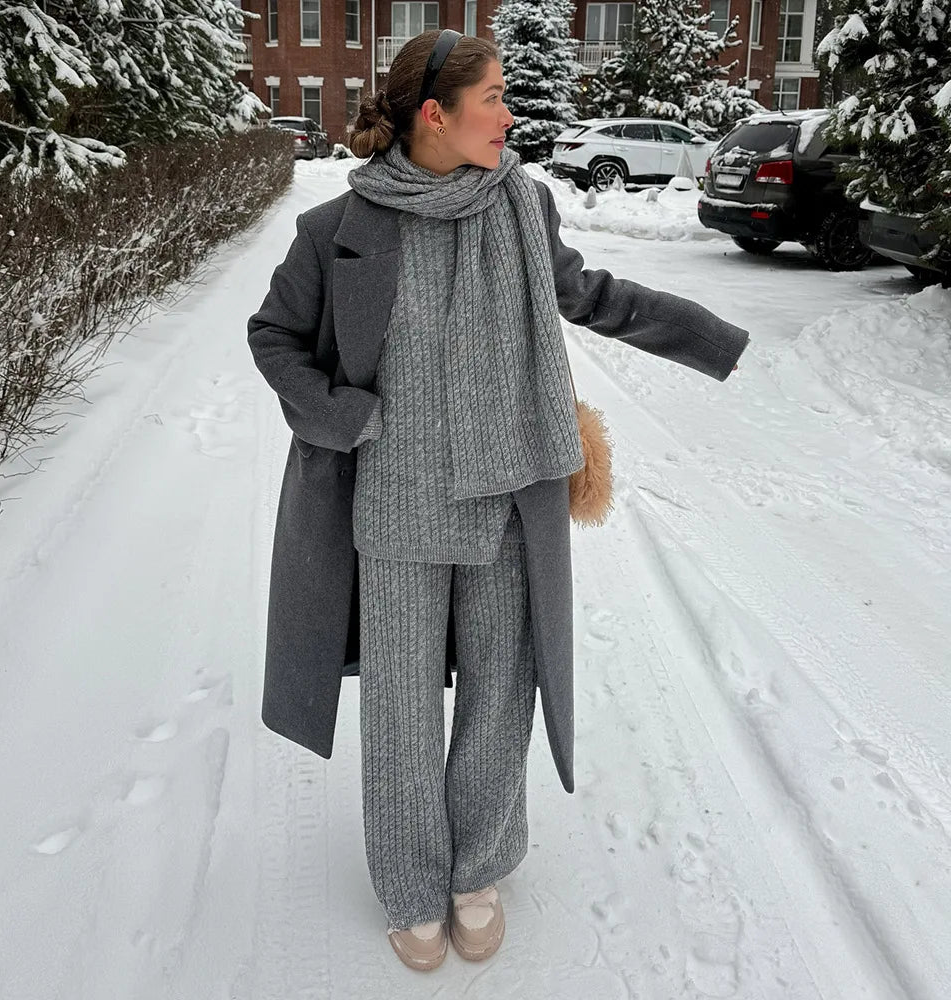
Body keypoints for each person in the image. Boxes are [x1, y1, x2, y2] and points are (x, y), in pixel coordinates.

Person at [247, 28, 749, 974]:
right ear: (433, 115)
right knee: (399, 712)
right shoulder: (339, 230)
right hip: (394, 511)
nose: (511, 116)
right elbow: (273, 335)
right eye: (495, 100)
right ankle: (408, 883)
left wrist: (706, 337)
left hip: (508, 499)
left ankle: (477, 867)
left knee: (498, 695)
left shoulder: (521, 205)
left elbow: (585, 294)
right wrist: (341, 413)